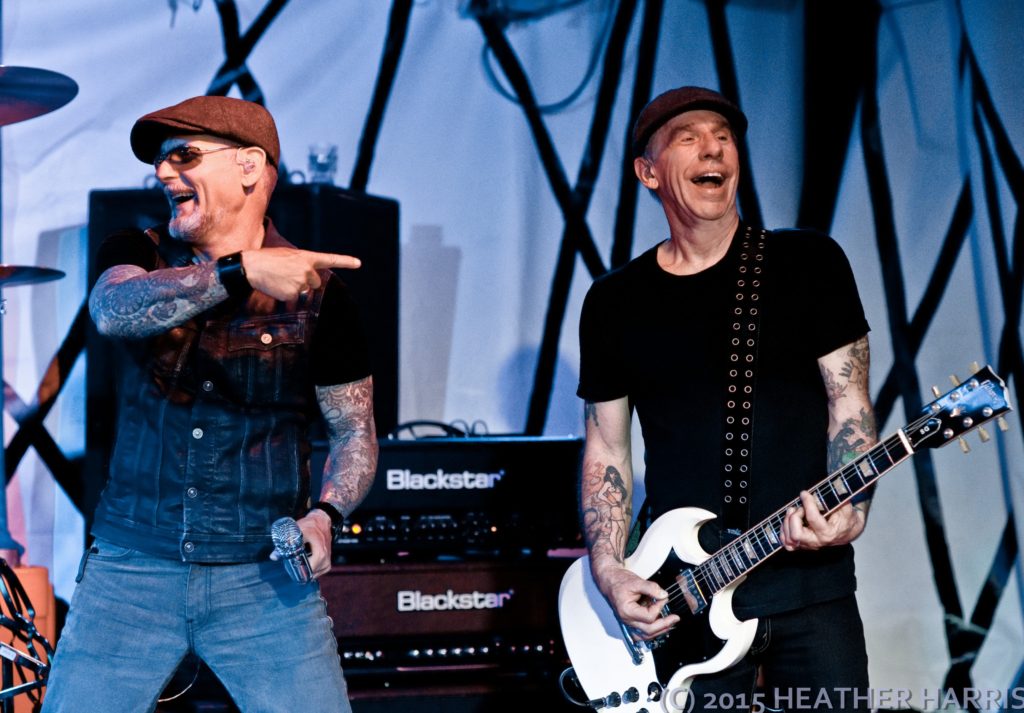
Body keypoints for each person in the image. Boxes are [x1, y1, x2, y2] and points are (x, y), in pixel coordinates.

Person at [42, 96, 378, 713]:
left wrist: (327, 514)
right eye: (161, 162)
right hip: (130, 570)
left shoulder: (322, 297)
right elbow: (113, 311)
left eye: (184, 155)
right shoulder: (137, 251)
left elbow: (354, 431)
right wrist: (240, 271)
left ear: (250, 167)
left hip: (264, 574)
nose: (165, 174)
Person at [576, 86, 877, 711]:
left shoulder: (808, 264)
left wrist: (854, 510)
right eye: (687, 138)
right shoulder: (614, 302)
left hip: (808, 591)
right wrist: (609, 569)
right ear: (648, 171)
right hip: (683, 599)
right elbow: (608, 448)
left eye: (723, 135)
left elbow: (850, 407)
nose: (713, 147)